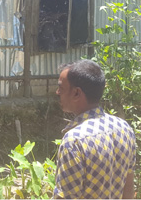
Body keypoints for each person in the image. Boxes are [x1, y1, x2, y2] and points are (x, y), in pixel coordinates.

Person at [54, 59, 136, 199]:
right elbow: (128, 188)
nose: (57, 92)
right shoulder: (124, 128)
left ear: (76, 93)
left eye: (61, 88)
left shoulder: (74, 141)